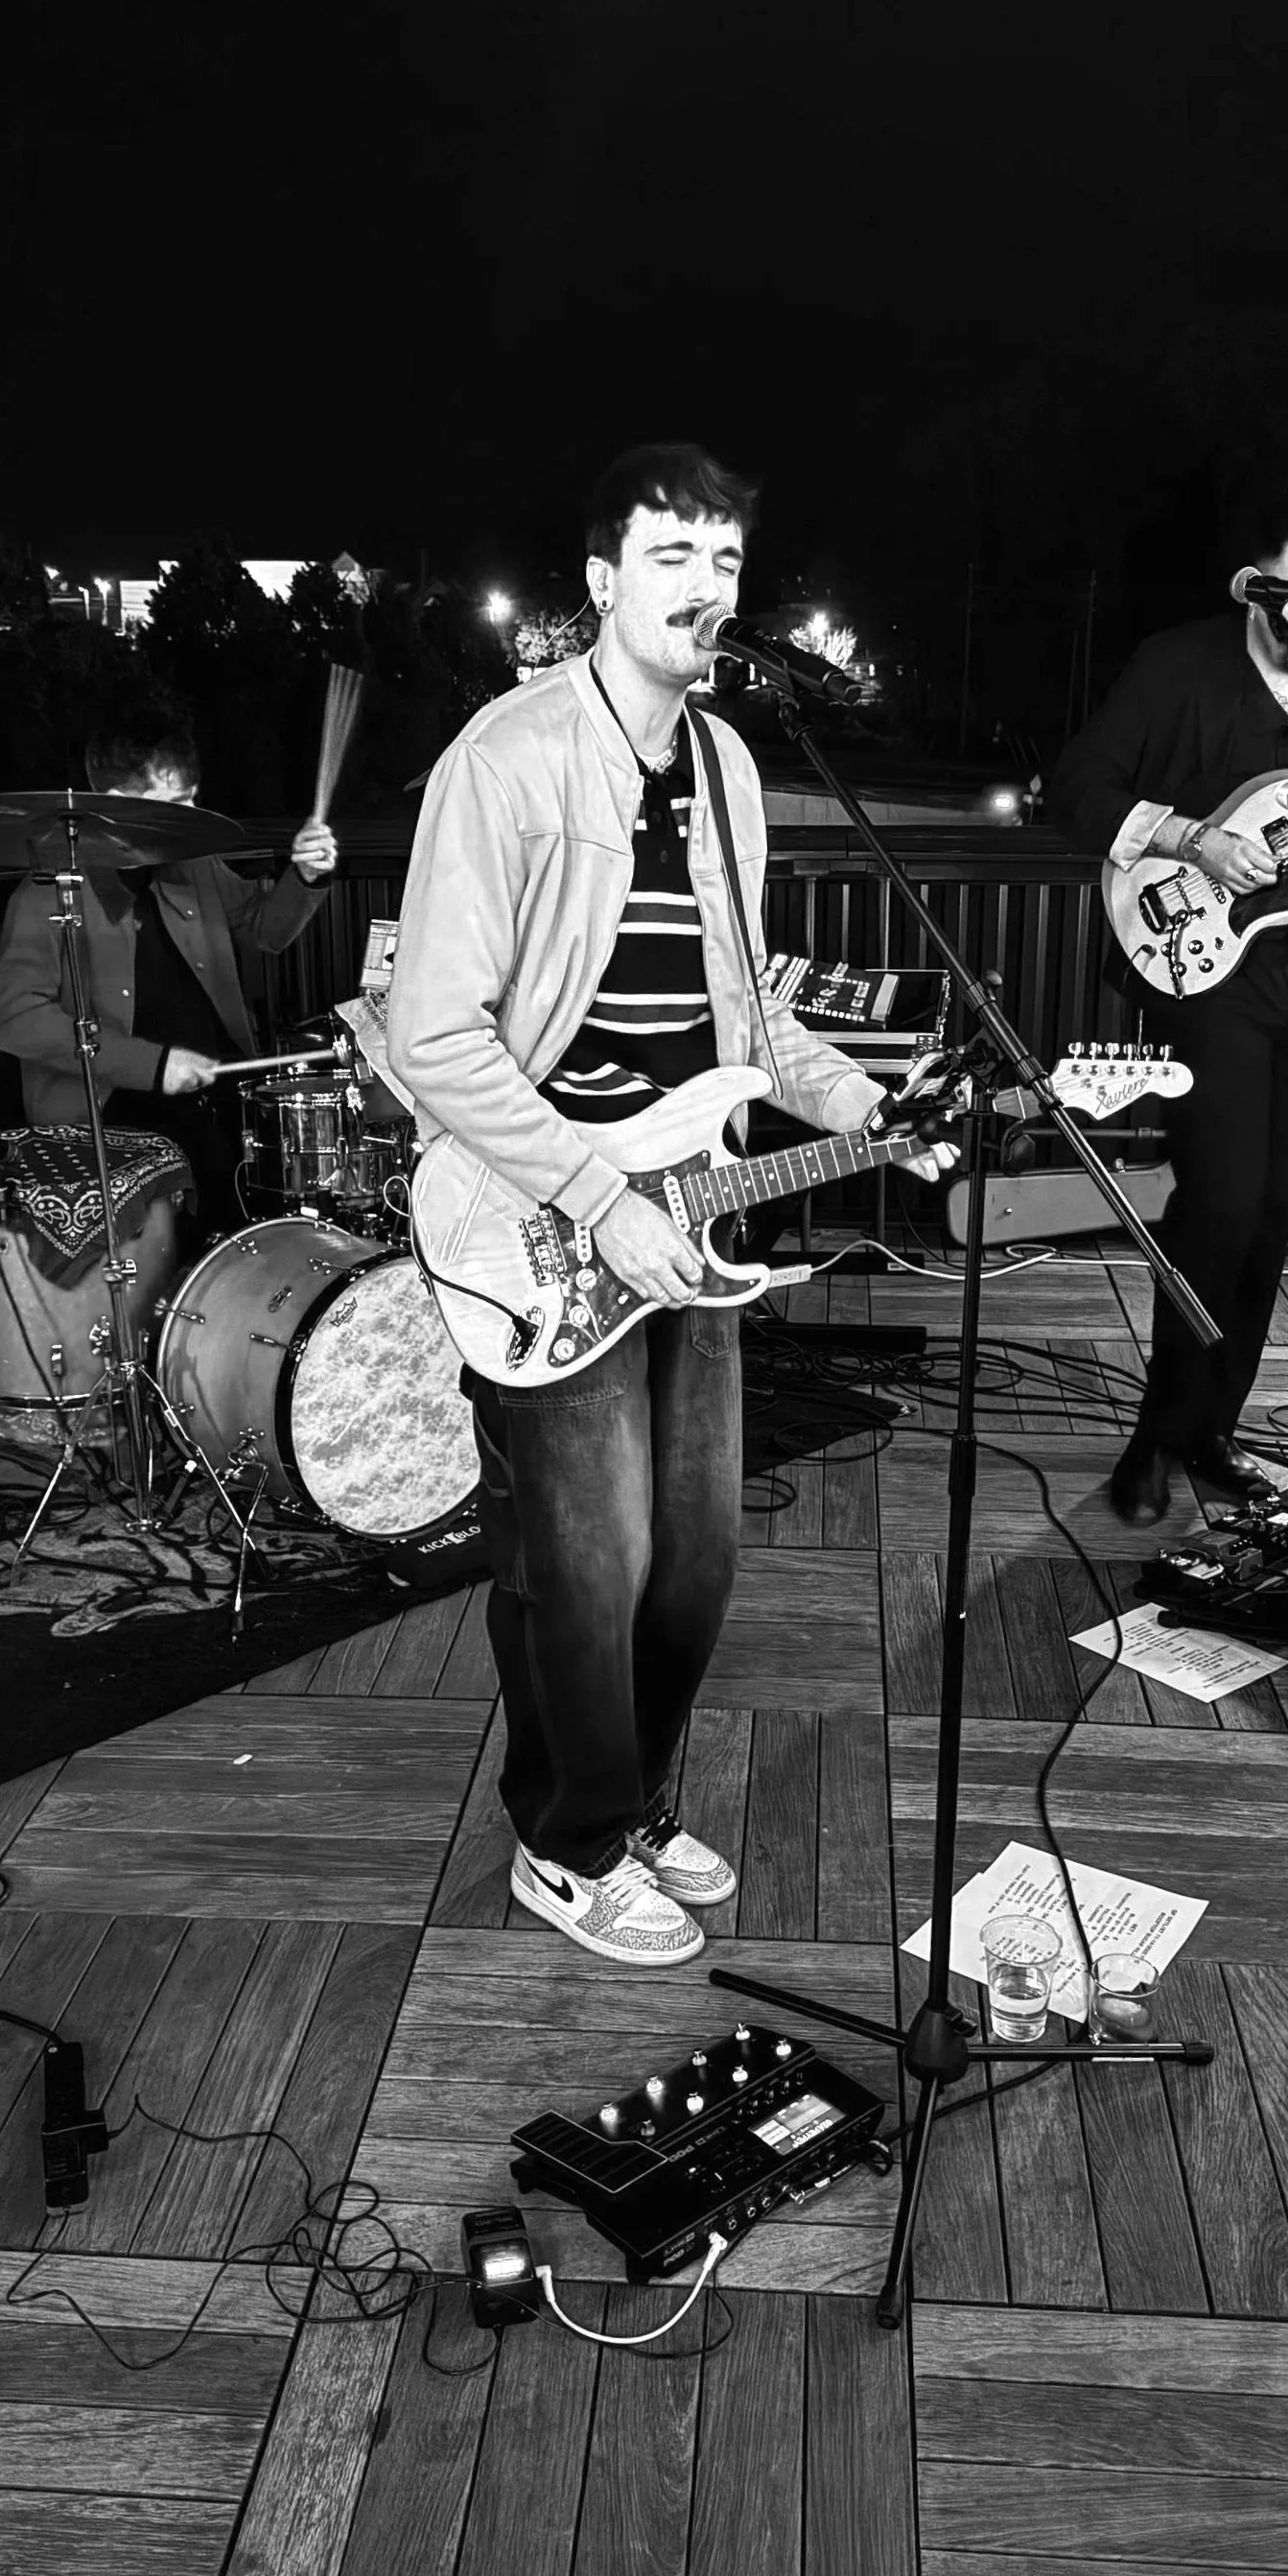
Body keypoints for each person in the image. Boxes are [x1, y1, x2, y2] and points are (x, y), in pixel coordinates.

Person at [387, 443, 948, 1966]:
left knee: (696, 1556)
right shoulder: (506, 760)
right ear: (601, 582)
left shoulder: (730, 770)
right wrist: (595, 1193)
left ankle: (629, 1802)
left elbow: (751, 1014)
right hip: (540, 1209)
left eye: (725, 563)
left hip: (688, 1208)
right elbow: (432, 1036)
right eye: (671, 558)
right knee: (586, 1560)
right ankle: (565, 1847)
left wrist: (863, 1109)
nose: (706, 588)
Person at [1048, 477, 1288, 1524]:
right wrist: (1191, 838)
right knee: (1217, 1205)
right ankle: (1155, 1436)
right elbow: (1075, 790)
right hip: (1206, 970)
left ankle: (1215, 1428)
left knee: (1274, 1212)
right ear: (1252, 583)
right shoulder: (1178, 665)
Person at [0, 699, 337, 1241]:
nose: (193, 816)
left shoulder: (195, 866)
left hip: (221, 1098)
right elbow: (14, 1019)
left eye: (194, 799)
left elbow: (264, 929)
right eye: (176, 804)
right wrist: (150, 1065)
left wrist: (305, 876)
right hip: (115, 1125)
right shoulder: (46, 896)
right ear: (117, 805)